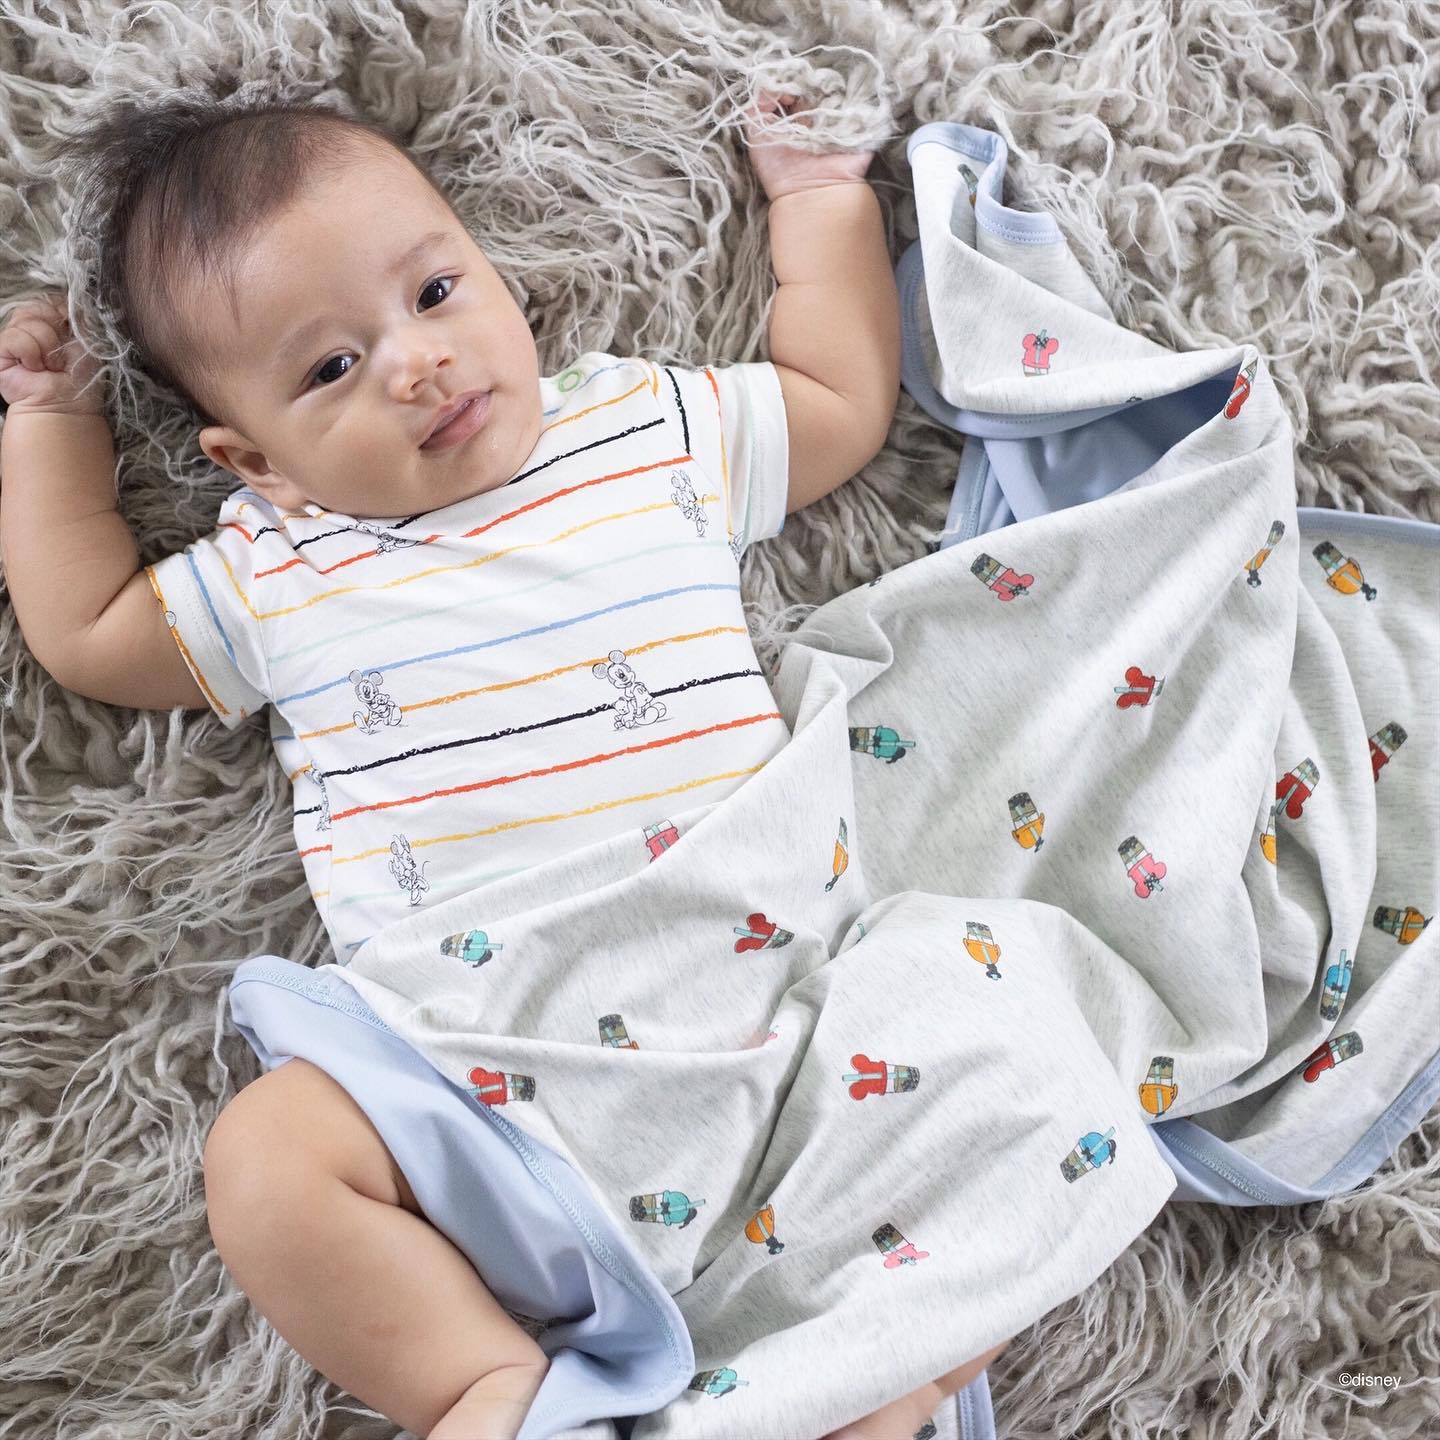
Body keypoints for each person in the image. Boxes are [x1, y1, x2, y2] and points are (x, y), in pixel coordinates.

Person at [0, 90, 1005, 1440]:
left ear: (498, 277)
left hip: (765, 1013)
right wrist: (51, 423)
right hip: (474, 1072)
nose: (414, 363)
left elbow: (837, 399)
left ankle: (854, 1381)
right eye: (329, 370)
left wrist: (818, 201)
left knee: (994, 1077)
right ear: (258, 464)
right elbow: (86, 629)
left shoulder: (644, 430)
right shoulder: (278, 568)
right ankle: (485, 1383)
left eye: (432, 290)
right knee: (269, 1158)